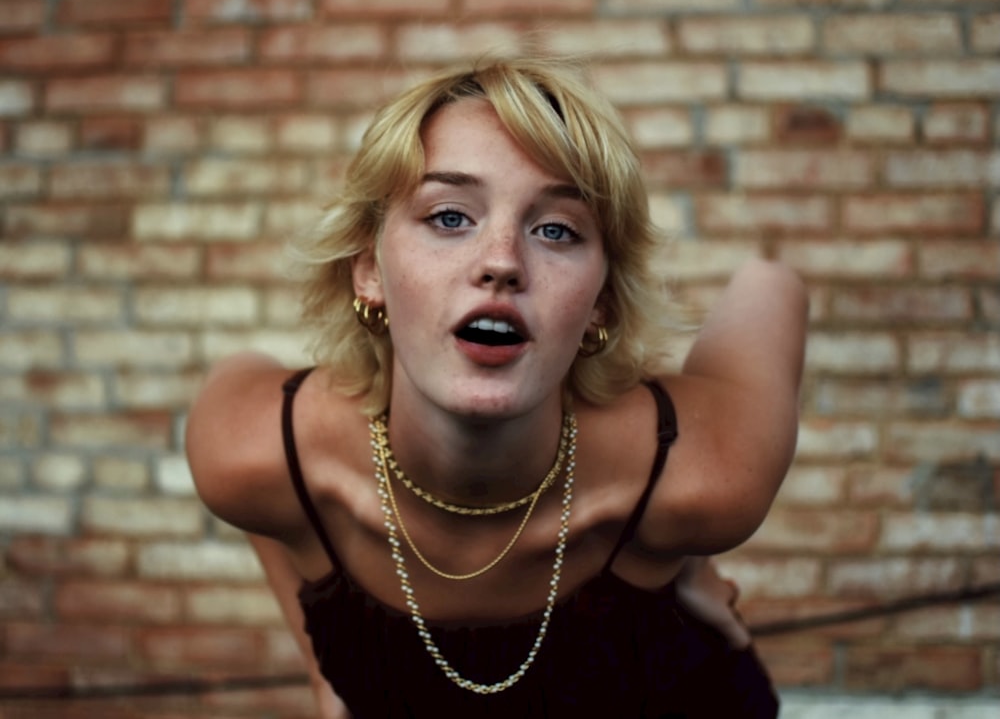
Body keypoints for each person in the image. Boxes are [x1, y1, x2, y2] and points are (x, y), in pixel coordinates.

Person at [186, 56, 808, 718]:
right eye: (451, 216)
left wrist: (687, 560)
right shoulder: (256, 451)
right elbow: (273, 484)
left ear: (599, 302)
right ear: (368, 270)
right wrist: (325, 680)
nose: (503, 261)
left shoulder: (699, 475)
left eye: (555, 229)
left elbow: (771, 283)